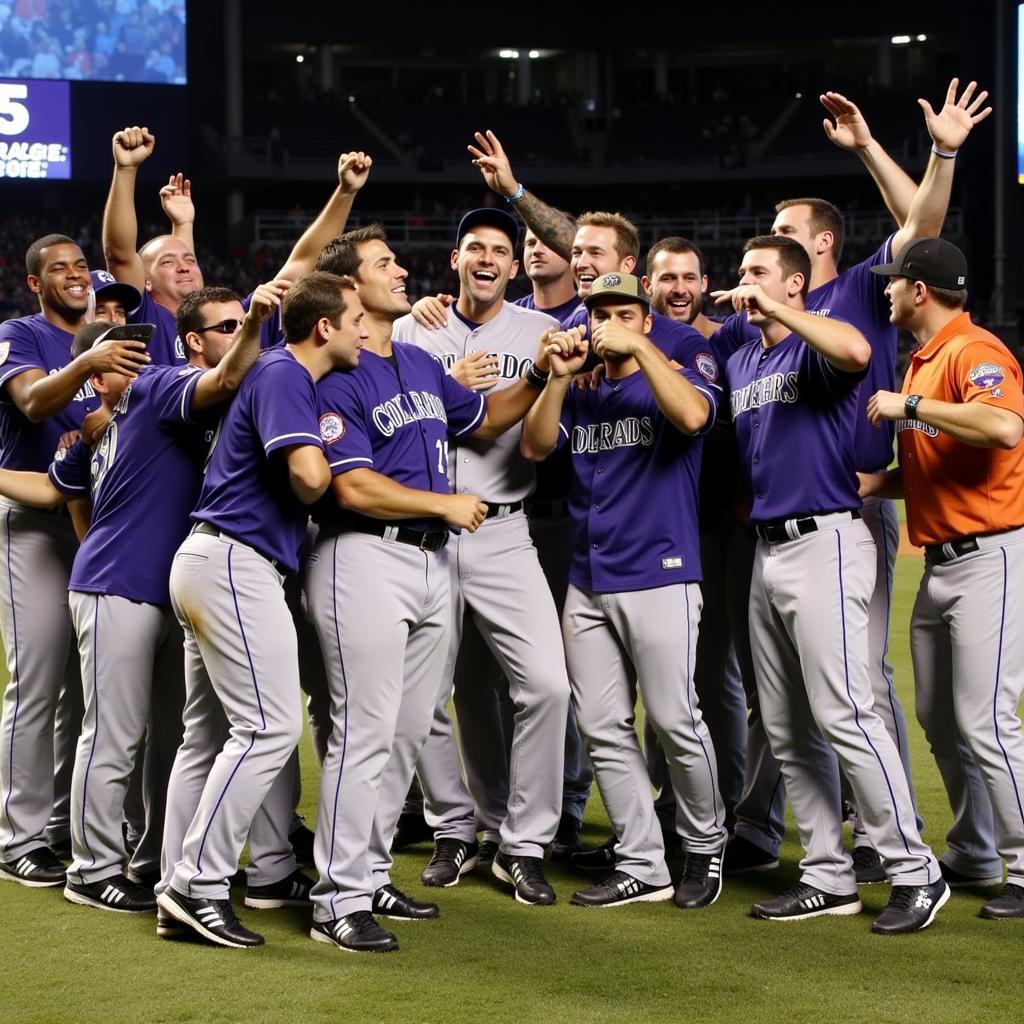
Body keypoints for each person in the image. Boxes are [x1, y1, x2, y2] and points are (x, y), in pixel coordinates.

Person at [304, 222, 554, 953]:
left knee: (408, 731)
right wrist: (444, 505)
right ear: (351, 288)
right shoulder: (330, 373)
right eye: (385, 264)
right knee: (364, 734)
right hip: (363, 557)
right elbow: (350, 486)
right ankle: (336, 897)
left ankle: (369, 872)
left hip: (431, 561)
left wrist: (539, 374)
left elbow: (484, 418)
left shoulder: (414, 359)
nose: (401, 273)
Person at [0, 283, 283, 912]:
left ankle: (154, 853)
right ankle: (90, 868)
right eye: (119, 357)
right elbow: (50, 491)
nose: (136, 363)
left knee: (170, 736)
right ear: (91, 378)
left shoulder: (139, 407)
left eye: (138, 353)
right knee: (113, 736)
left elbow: (55, 490)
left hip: (168, 595)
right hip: (117, 587)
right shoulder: (140, 405)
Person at [721, 234, 946, 934]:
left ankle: (916, 869)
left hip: (826, 540)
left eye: (759, 272)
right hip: (767, 549)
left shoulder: (813, 344)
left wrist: (780, 312)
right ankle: (826, 873)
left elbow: (853, 353)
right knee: (787, 725)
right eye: (741, 273)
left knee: (846, 710)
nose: (744, 281)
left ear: (795, 284)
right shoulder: (738, 360)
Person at [156, 272, 363, 948]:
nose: (362, 329)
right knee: (270, 729)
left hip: (213, 559)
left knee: (209, 738)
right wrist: (341, 463)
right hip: (234, 564)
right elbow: (307, 478)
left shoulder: (275, 371)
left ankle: (176, 887)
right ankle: (196, 885)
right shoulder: (283, 373)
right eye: (354, 317)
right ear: (324, 327)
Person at [521, 271, 727, 908]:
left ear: (644, 318)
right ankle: (643, 861)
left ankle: (704, 844)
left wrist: (640, 350)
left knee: (673, 718)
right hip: (587, 577)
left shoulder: (673, 373)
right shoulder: (580, 389)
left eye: (622, 312)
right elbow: (533, 445)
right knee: (604, 724)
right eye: (599, 312)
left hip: (660, 573)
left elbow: (695, 416)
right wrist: (557, 374)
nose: (607, 321)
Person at [392, 209, 573, 891]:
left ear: (516, 265)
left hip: (503, 526)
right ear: (456, 259)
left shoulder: (541, 331)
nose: (488, 257)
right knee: (430, 695)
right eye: (475, 247)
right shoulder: (413, 327)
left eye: (500, 248)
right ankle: (453, 827)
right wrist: (451, 388)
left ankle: (522, 841)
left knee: (547, 686)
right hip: (426, 533)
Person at [862, 237, 1024, 920]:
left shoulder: (973, 352)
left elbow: (1003, 427)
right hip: (942, 562)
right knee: (938, 716)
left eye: (895, 283)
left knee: (986, 719)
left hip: (991, 554)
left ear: (920, 291)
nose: (887, 291)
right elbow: (935, 466)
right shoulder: (926, 361)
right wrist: (877, 482)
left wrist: (912, 409)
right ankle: (977, 847)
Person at [0, 235, 149, 888]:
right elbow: (33, 402)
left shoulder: (109, 335)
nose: (72, 275)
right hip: (34, 521)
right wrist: (88, 364)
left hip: (98, 525)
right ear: (36, 283)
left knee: (83, 691)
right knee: (36, 683)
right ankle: (16, 838)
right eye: (55, 269)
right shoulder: (22, 333)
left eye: (77, 267)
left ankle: (62, 819)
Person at [102, 126, 373, 361]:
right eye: (167, 263)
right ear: (145, 281)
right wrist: (125, 169)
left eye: (190, 261)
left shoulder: (241, 318)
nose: (184, 268)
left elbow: (303, 263)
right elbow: (119, 254)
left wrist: (345, 193)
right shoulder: (147, 320)